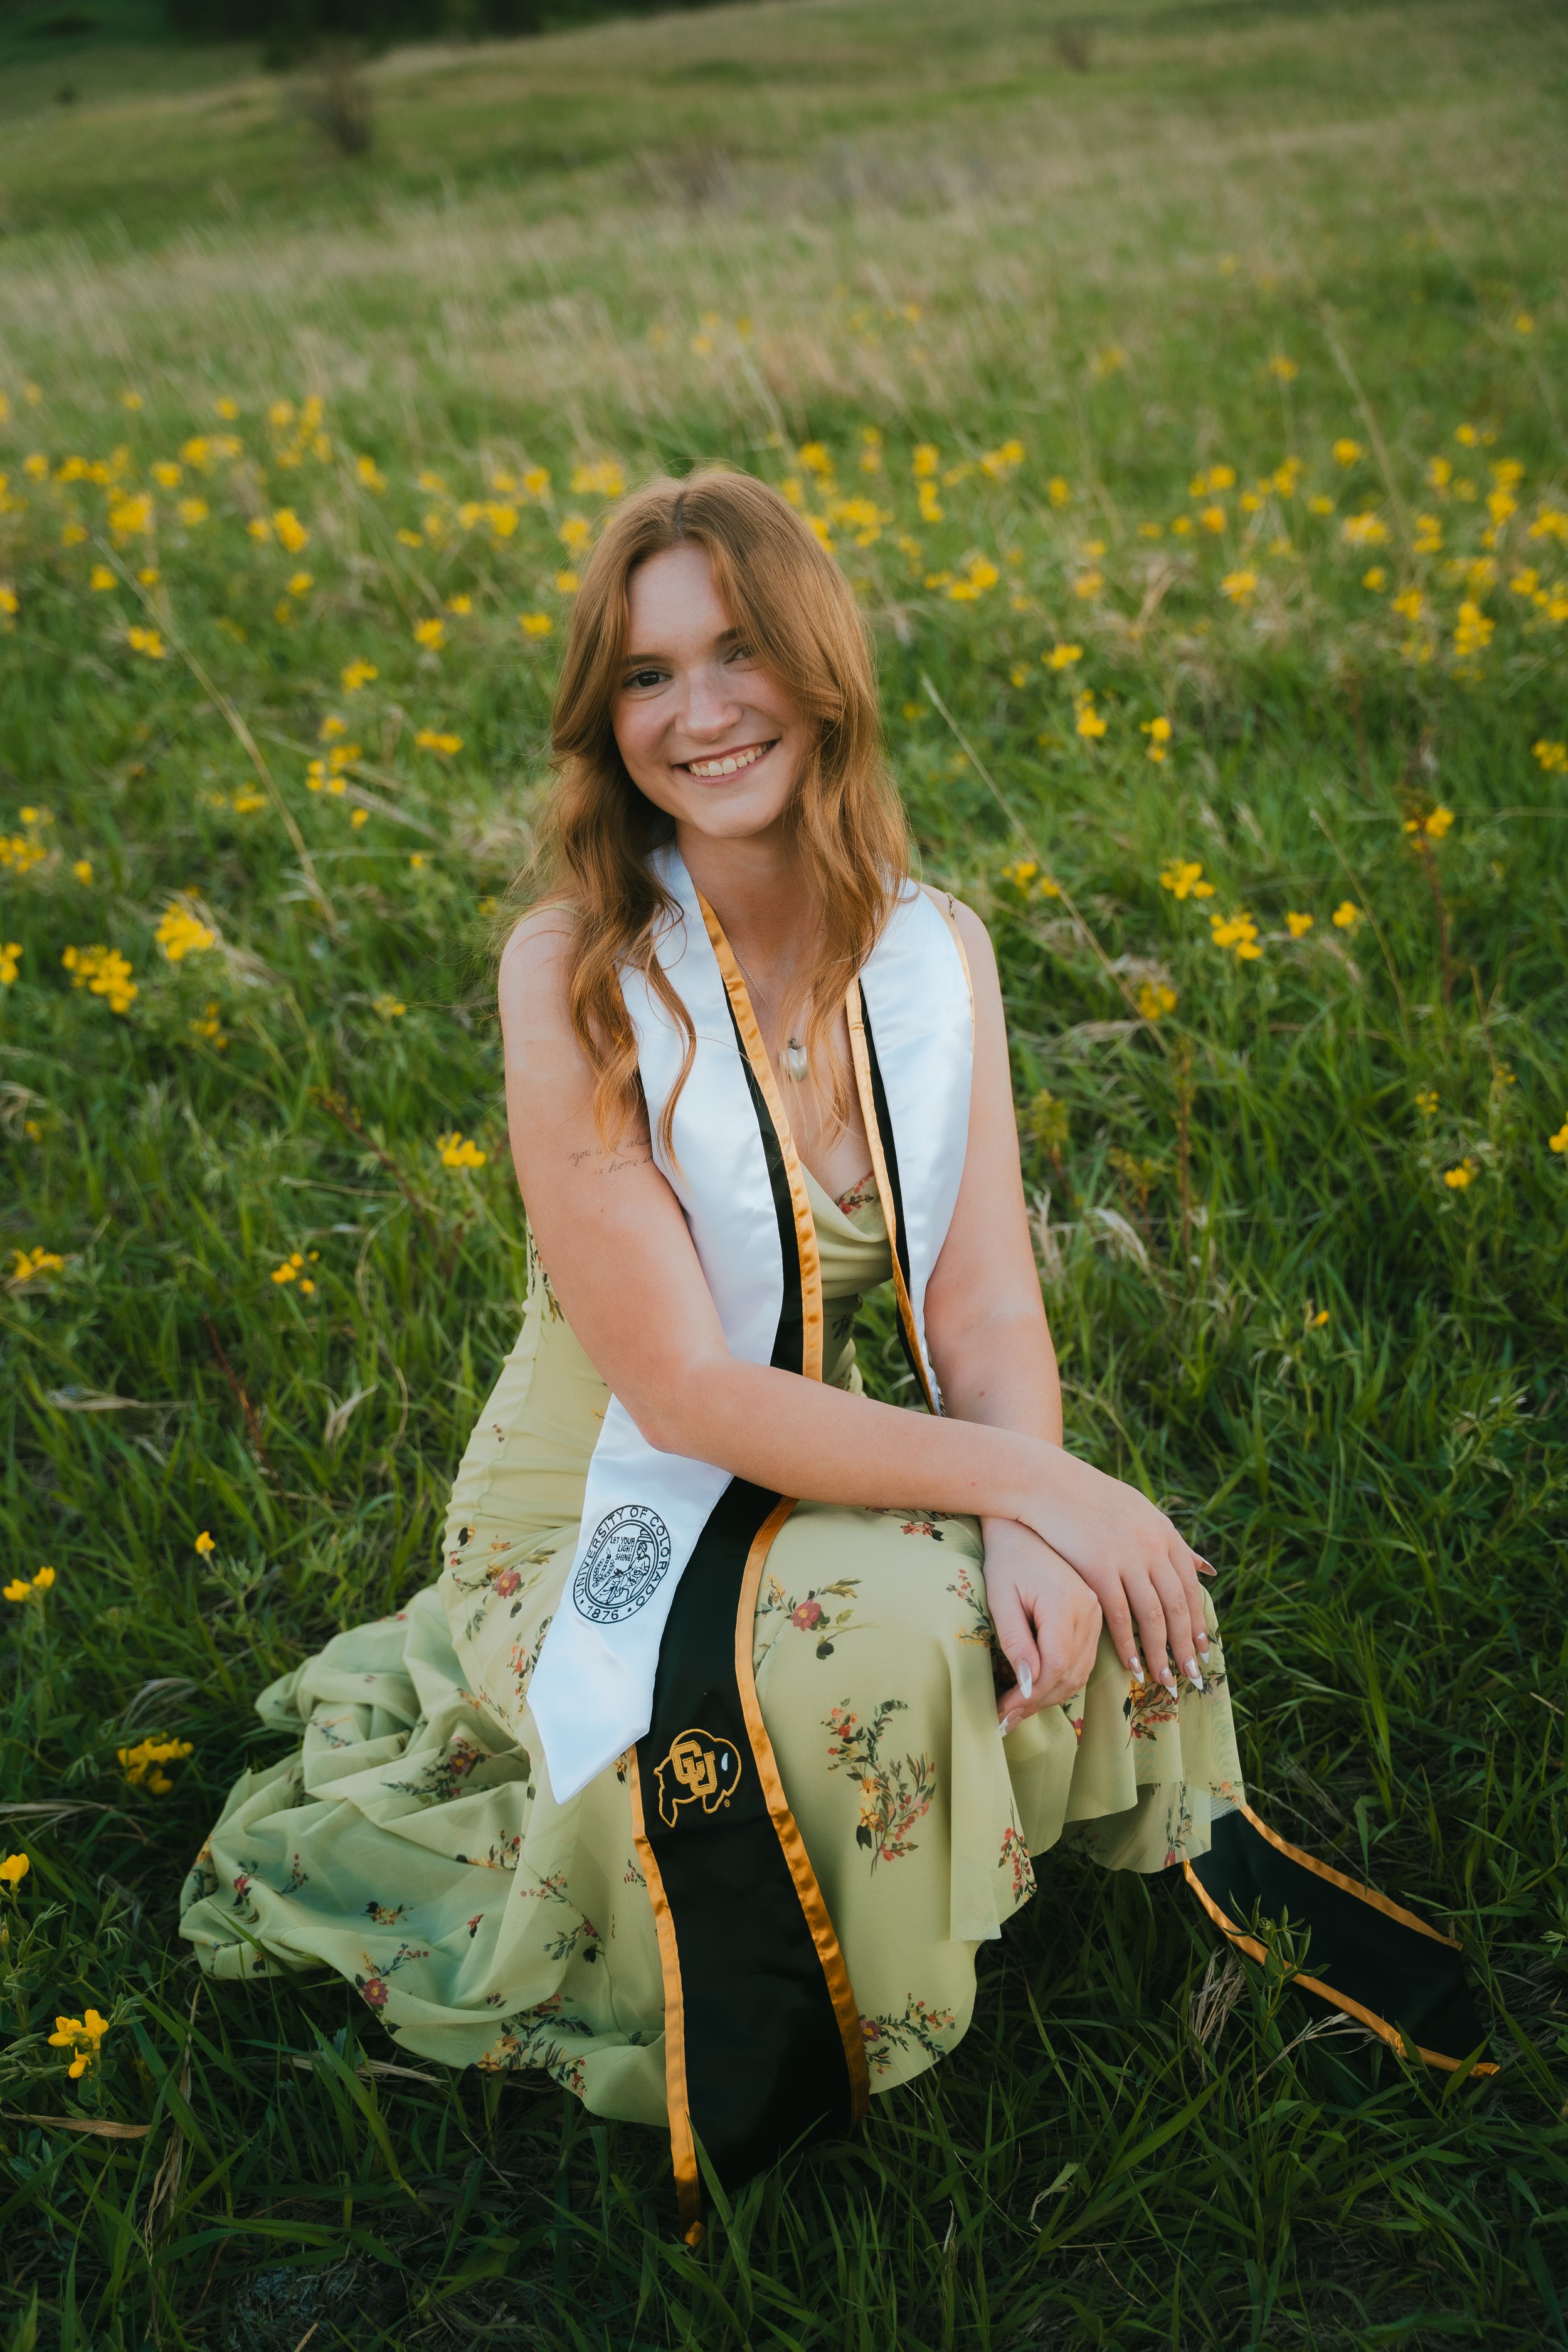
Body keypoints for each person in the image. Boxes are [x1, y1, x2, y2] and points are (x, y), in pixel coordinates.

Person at [181, 469, 1488, 2235]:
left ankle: (1039, 1841)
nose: (699, 712)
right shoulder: (575, 969)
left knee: (1074, 1578)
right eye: (647, 676)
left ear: (822, 671)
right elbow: (684, 1397)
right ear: (604, 718)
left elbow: (983, 1312)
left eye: (738, 653)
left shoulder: (936, 953)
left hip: (796, 1450)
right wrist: (1052, 1488)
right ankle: (817, 2020)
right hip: (602, 1516)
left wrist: (1037, 1513)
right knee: (901, 1636)